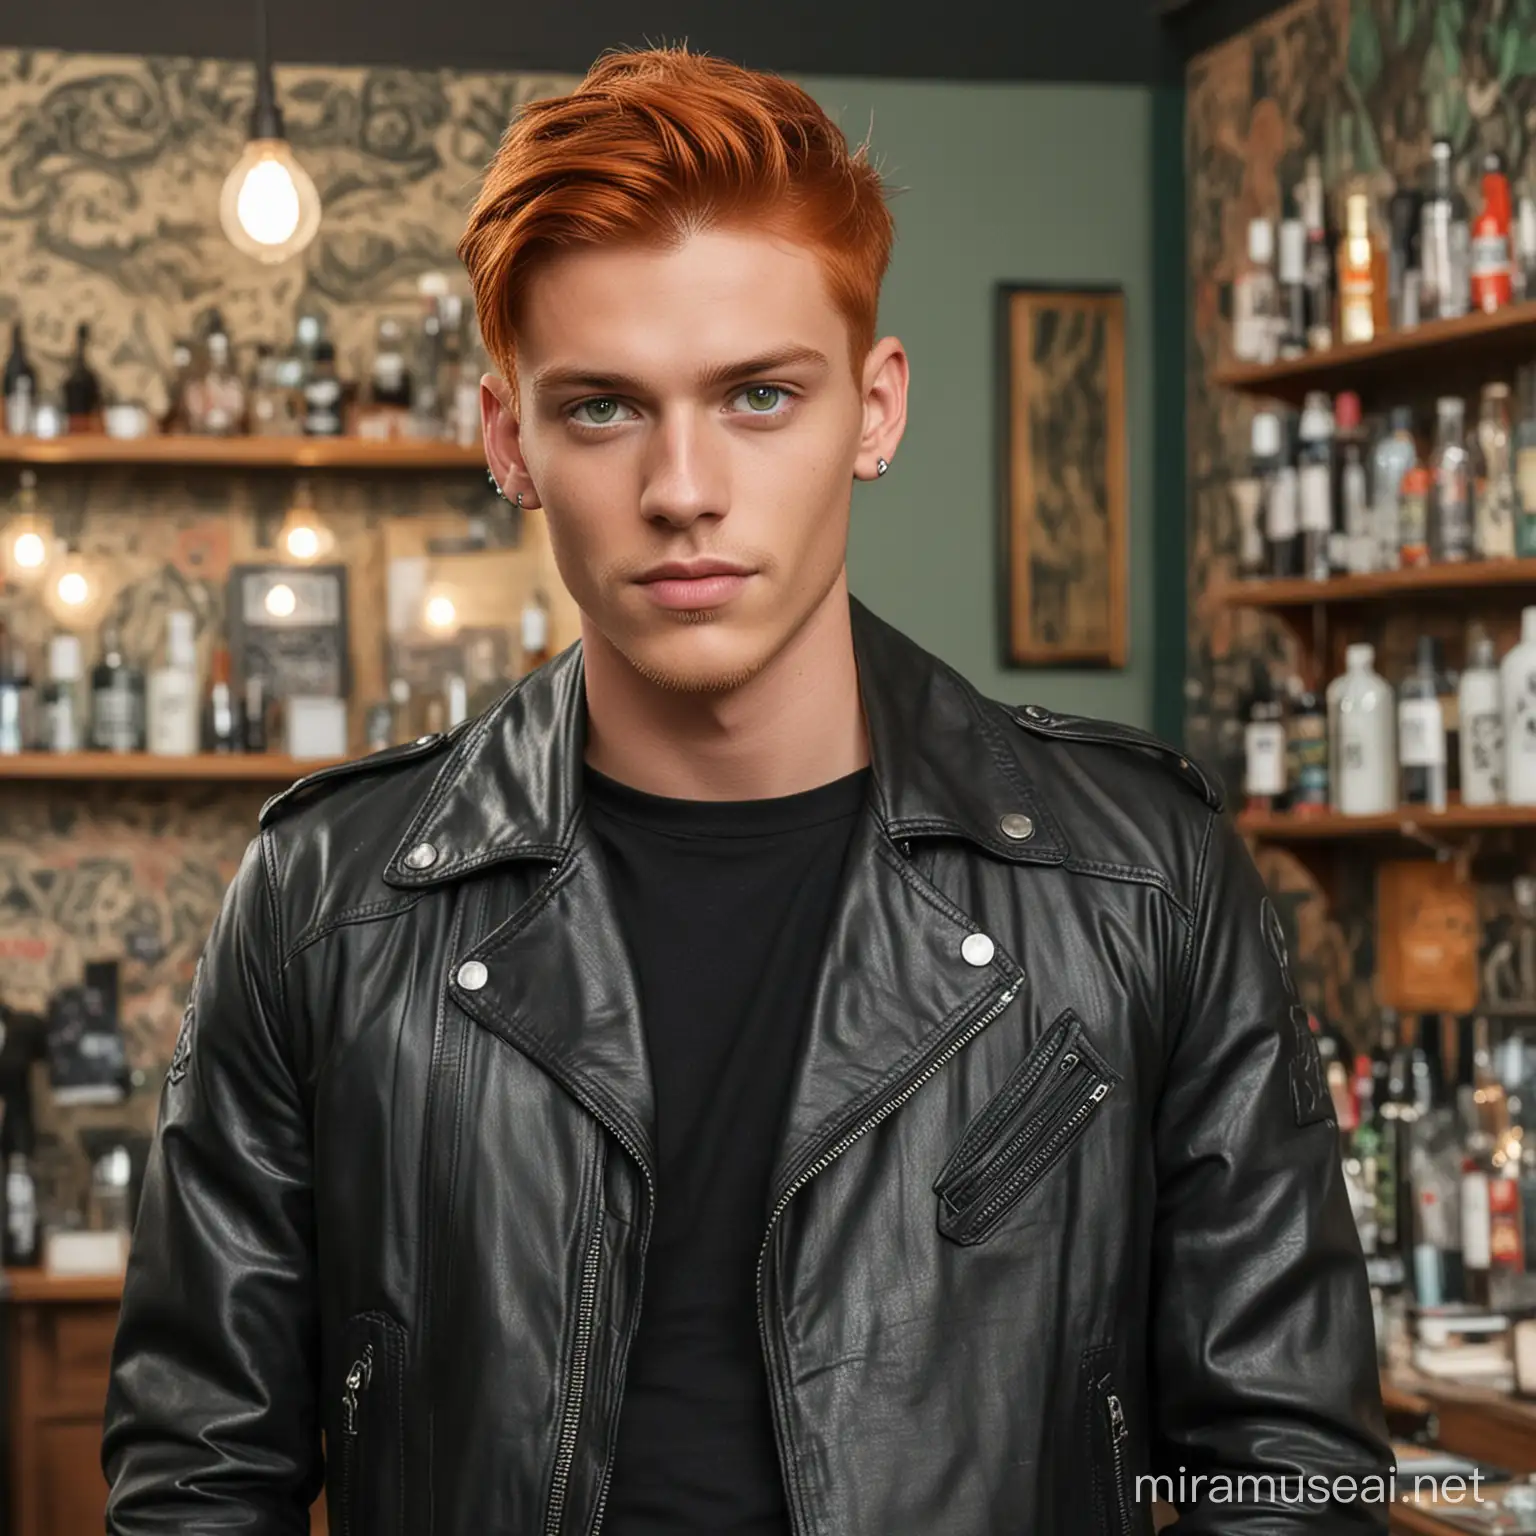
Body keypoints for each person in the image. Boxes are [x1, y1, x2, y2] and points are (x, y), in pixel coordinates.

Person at [103, 45, 1390, 1536]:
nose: (684, 486)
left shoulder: (1140, 878)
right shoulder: (325, 903)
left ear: (876, 409)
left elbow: (1290, 1478)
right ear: (509, 438)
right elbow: (199, 1482)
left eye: (761, 396)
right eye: (601, 410)